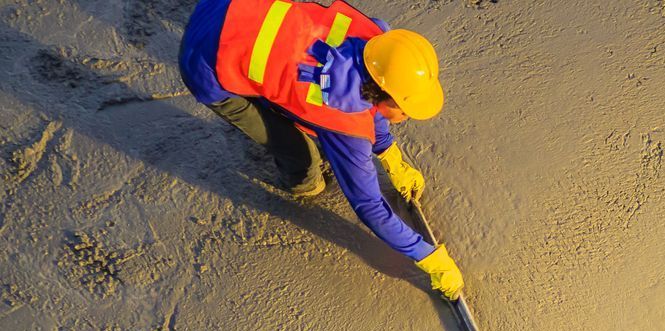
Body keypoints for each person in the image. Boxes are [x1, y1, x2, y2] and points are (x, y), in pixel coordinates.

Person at [178, 0, 463, 300]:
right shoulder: (345, 126)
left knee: (280, 84)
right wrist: (429, 257)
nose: (406, 117)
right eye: (405, 110)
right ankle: (301, 184)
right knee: (302, 159)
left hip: (231, 7)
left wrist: (390, 154)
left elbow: (375, 105)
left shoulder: (375, 42)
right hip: (205, 65)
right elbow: (370, 208)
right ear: (384, 96)